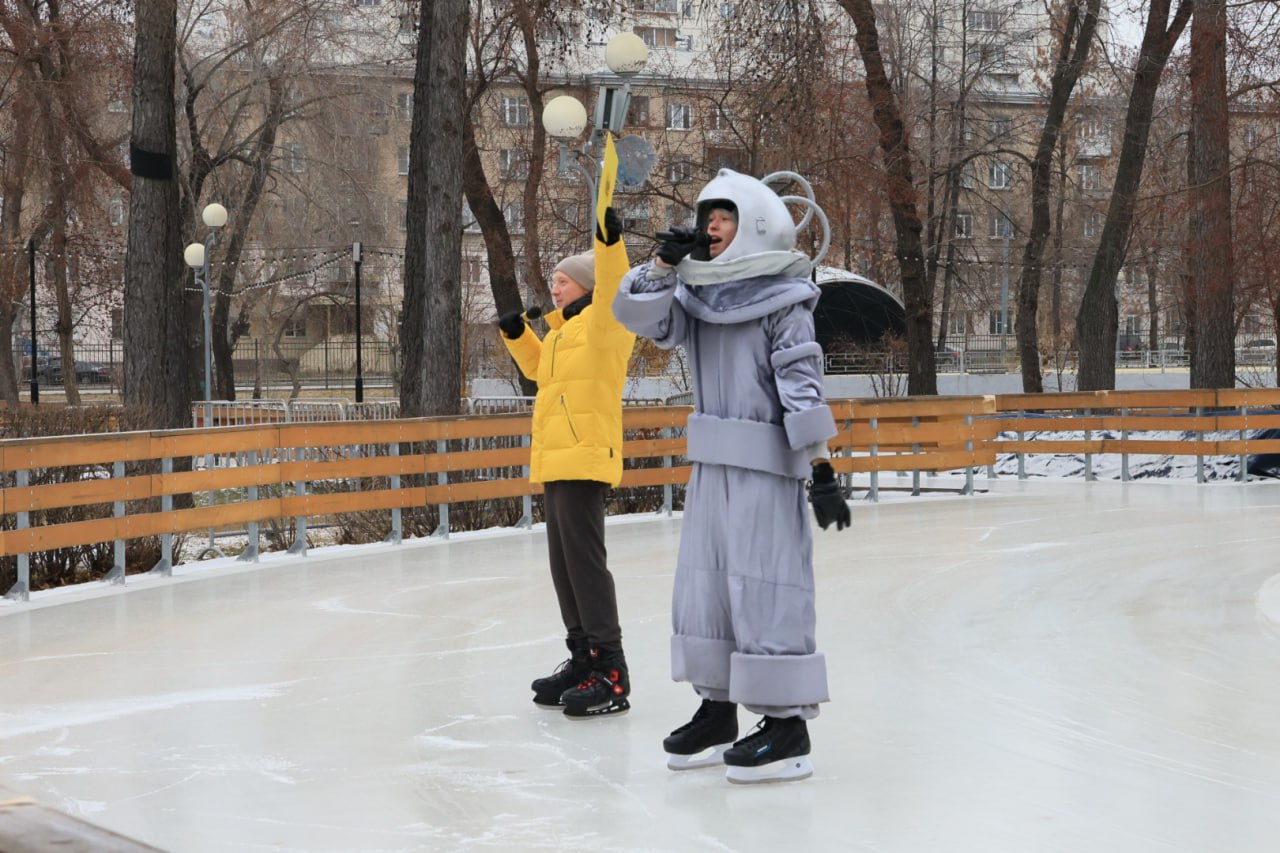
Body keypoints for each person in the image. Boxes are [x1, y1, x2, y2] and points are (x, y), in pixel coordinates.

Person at [612, 169, 851, 783]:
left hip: (766, 472)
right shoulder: (695, 297)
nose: (709, 225)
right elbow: (641, 320)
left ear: (755, 225)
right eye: (706, 215)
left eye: (723, 216)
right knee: (706, 590)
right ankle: (717, 710)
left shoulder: (786, 300)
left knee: (767, 588)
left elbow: (800, 383)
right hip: (712, 467)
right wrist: (663, 267)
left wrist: (822, 468)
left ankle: (786, 723)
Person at [497, 207, 637, 720]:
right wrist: (519, 336)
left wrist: (609, 241)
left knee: (585, 565)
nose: (554, 289)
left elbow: (615, 280)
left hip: (584, 455)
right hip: (555, 457)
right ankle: (583, 658)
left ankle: (612, 669)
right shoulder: (559, 334)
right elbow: (540, 374)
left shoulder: (607, 323)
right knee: (564, 567)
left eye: (562, 281)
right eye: (553, 281)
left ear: (584, 284)